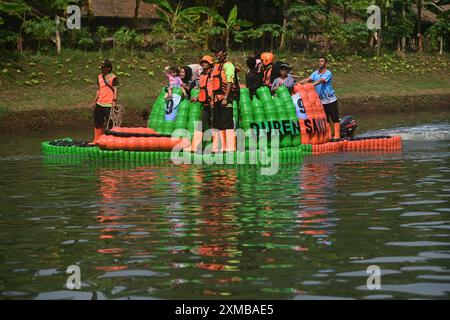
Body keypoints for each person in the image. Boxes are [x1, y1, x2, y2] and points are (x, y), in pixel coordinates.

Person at [299, 57, 340, 140]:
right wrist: (298, 83)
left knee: (334, 117)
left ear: (325, 63)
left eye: (322, 61)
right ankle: (329, 135)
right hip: (321, 101)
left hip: (331, 100)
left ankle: (337, 135)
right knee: (325, 119)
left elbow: (321, 81)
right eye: (319, 61)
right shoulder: (315, 73)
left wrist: (311, 85)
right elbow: (308, 79)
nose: (320, 62)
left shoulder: (328, 73)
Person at [211, 47, 238, 152]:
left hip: (226, 97)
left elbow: (230, 82)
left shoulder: (229, 65)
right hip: (216, 98)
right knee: (217, 123)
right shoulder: (216, 66)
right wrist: (213, 100)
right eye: (216, 52)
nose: (217, 54)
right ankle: (219, 147)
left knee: (227, 122)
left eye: (219, 52)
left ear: (225, 53)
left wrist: (226, 98)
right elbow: (213, 84)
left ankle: (231, 147)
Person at [91, 59, 119, 145]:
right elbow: (99, 89)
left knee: (110, 123)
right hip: (99, 103)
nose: (102, 69)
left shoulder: (114, 77)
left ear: (108, 68)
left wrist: (114, 101)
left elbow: (115, 90)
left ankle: (111, 141)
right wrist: (94, 101)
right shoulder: (99, 77)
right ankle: (96, 140)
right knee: (98, 122)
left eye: (104, 67)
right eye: (101, 67)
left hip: (109, 104)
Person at [190, 55, 214, 152]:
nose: (203, 63)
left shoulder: (213, 74)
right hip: (205, 104)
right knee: (200, 125)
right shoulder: (202, 76)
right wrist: (198, 98)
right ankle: (195, 147)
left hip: (213, 104)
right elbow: (203, 90)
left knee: (214, 125)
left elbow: (214, 89)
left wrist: (213, 101)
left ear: (210, 64)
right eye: (202, 62)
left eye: (206, 62)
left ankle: (216, 148)